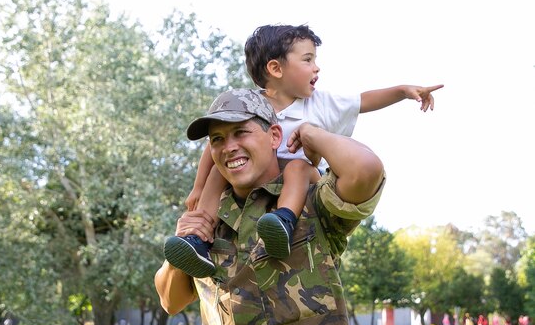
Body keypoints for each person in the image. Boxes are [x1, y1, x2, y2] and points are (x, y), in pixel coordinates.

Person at [164, 24, 442, 277]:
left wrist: (403, 91)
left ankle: (283, 221)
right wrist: (198, 188)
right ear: (275, 69)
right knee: (217, 174)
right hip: (259, 183)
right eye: (308, 60)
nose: (316, 68)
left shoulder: (319, 104)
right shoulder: (250, 106)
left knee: (295, 167)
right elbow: (214, 147)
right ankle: (198, 239)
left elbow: (364, 100)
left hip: (305, 177)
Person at [155, 88, 386, 325]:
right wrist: (178, 254)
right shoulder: (207, 217)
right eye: (218, 139)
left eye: (241, 132)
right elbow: (171, 302)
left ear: (275, 136)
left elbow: (366, 170)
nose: (229, 147)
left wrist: (312, 135)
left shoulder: (311, 201)